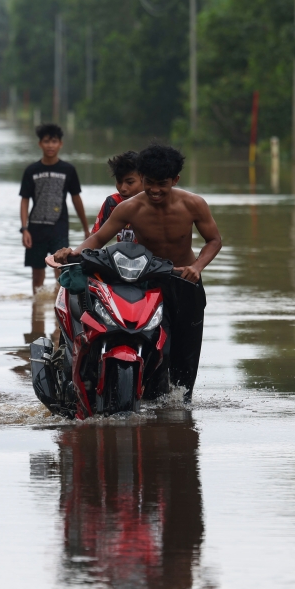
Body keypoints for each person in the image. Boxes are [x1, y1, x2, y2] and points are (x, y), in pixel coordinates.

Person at [54, 144, 222, 400]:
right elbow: (98, 239)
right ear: (142, 178)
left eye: (162, 184)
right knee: (156, 347)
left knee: (186, 354)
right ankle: (145, 401)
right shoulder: (129, 208)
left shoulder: (193, 204)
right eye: (150, 183)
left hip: (184, 282)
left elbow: (214, 240)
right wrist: (72, 253)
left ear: (175, 180)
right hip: (150, 283)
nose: (155, 190)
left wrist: (197, 267)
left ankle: (181, 409)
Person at [20, 123, 90, 294]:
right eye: (46, 141)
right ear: (40, 144)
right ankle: (37, 312)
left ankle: (59, 309)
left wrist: (86, 228)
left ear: (60, 144)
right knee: (37, 275)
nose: (50, 145)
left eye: (54, 141)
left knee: (61, 269)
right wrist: (24, 229)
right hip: (35, 228)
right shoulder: (31, 170)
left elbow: (76, 198)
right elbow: (24, 200)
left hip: (59, 228)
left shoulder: (68, 170)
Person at [91, 150, 142, 242]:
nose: (122, 188)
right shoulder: (112, 203)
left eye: (130, 182)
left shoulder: (154, 204)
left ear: (144, 179)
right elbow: (94, 238)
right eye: (119, 181)